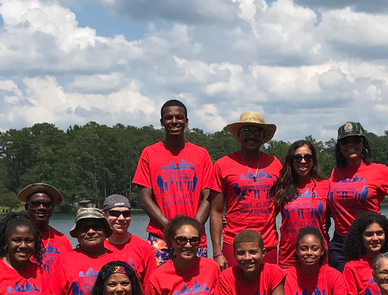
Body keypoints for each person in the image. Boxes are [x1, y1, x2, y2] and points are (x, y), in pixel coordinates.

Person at [132, 99, 212, 263]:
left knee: (195, 287)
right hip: (161, 237)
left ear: (186, 122)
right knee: (159, 285)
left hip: (195, 239)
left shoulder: (201, 154)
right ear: (162, 122)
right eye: (169, 118)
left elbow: (209, 197)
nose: (174, 121)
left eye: (179, 117)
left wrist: (191, 230)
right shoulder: (149, 153)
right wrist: (170, 229)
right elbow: (145, 200)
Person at [327, 122, 388, 271]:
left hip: (370, 243)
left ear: (363, 144)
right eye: (345, 141)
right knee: (341, 291)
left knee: (370, 291)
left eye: (355, 140)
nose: (350, 144)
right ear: (339, 147)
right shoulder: (335, 173)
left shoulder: (380, 171)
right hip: (340, 243)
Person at [208, 112, 283, 269]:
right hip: (234, 242)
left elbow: (277, 203)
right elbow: (216, 210)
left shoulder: (274, 163)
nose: (252, 136)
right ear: (239, 135)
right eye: (247, 131)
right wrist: (216, 251)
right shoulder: (223, 164)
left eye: (257, 132)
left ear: (263, 137)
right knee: (233, 290)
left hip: (267, 243)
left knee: (267, 290)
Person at [273, 140, 330, 268]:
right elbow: (266, 214)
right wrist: (229, 220)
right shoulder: (281, 186)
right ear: (291, 160)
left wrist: (373, 216)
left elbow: (342, 210)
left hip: (318, 256)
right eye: (298, 157)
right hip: (289, 257)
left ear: (313, 161)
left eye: (308, 157)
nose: (303, 161)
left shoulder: (326, 185)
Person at [215, 229, 286, 295]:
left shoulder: (274, 272)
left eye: (253, 252)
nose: (247, 257)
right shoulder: (226, 276)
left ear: (263, 252)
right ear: (234, 254)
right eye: (241, 253)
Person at [102, 194, 156, 286]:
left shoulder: (144, 248)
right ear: (104, 216)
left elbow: (149, 285)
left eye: (126, 214)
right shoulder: (97, 246)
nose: (121, 218)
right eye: (115, 213)